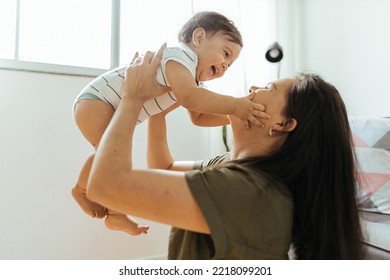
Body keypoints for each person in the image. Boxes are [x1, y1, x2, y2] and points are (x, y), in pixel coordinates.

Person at [86, 46, 365, 259]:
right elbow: (164, 168)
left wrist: (132, 98)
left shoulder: (250, 191)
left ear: (282, 124)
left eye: (269, 88)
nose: (253, 89)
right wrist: (156, 107)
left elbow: (105, 187)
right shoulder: (234, 166)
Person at [71, 11, 266, 236]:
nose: (224, 66)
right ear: (199, 38)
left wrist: (236, 115)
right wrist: (236, 105)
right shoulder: (179, 56)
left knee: (111, 152)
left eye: (230, 65)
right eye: (225, 53)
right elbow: (189, 98)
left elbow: (199, 116)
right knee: (109, 153)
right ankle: (83, 191)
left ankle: (113, 212)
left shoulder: (192, 79)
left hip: (108, 105)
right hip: (96, 101)